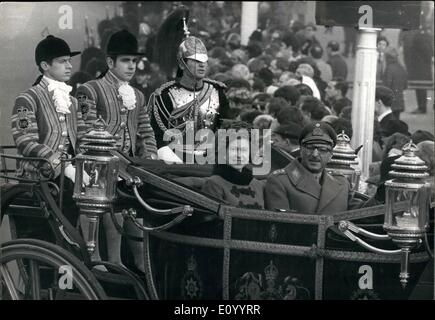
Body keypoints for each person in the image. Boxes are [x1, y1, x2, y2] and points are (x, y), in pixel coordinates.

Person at [76, 29, 158, 272]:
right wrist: (115, 161)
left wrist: (151, 156)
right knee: (109, 195)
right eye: (125, 61)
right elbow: (85, 131)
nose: (131, 66)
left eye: (134, 61)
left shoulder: (138, 96)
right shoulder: (90, 90)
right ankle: (99, 259)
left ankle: (135, 260)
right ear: (110, 62)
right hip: (95, 163)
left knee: (138, 203)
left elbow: (145, 131)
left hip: (128, 166)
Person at [11, 35, 88, 211]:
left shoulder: (73, 102)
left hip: (68, 178)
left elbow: (82, 138)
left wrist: (86, 167)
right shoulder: (28, 99)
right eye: (62, 61)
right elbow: (25, 141)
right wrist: (64, 167)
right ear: (45, 66)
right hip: (38, 177)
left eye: (69, 61)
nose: (69, 66)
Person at [149, 6, 230, 151]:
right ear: (182, 64)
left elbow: (226, 131)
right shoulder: (164, 96)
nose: (202, 66)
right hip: (174, 163)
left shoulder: (217, 92)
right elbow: (158, 138)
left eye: (204, 61)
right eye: (195, 61)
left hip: (210, 161)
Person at [264, 122, 359, 213]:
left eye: (322, 150)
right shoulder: (280, 181)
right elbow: (281, 226)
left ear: (330, 155)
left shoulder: (342, 183)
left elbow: (361, 213)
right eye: (310, 148)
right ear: (301, 151)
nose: (315, 154)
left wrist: (374, 198)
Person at [201, 124, 265, 209]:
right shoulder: (213, 184)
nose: (239, 155)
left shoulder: (256, 184)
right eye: (234, 149)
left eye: (244, 150)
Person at [382, 47, 407, 120]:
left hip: (390, 101)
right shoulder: (401, 68)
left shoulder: (389, 68)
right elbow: (405, 85)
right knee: (397, 120)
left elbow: (387, 85)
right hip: (399, 99)